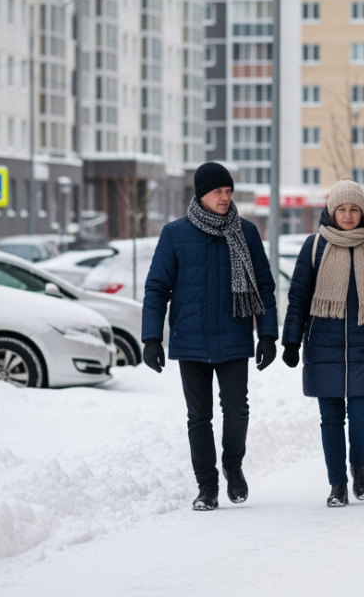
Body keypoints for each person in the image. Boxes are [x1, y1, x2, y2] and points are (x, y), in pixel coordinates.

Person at [142, 161, 278, 512]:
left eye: (228, 191)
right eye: (218, 191)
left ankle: (232, 464)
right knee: (198, 417)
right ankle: (207, 486)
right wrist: (151, 338)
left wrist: (267, 335)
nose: (225, 197)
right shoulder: (175, 234)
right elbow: (157, 288)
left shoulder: (246, 232)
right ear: (201, 194)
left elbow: (264, 286)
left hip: (234, 335)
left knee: (237, 410)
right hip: (191, 339)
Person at [282, 180, 364, 508]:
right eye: (342, 209)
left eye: (354, 209)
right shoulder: (314, 246)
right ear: (331, 211)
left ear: (363, 212)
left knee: (363, 415)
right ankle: (337, 484)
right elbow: (298, 298)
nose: (348, 215)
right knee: (331, 418)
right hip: (323, 346)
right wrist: (291, 342)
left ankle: (358, 465)